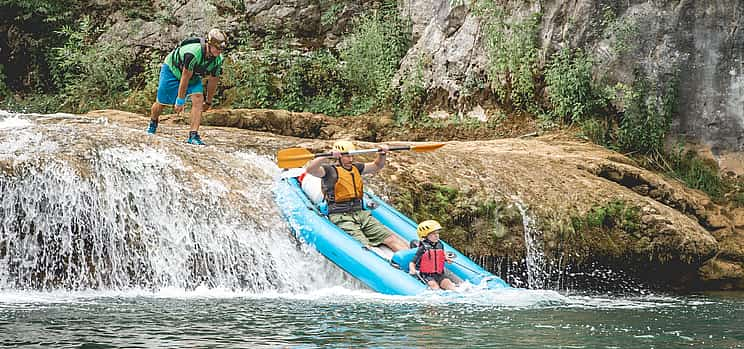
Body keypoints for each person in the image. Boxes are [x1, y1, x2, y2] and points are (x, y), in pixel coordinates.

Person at [305, 140, 409, 252]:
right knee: (365, 246)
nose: (350, 159)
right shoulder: (329, 171)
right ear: (339, 157)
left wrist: (382, 154)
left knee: (392, 239)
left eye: (351, 156)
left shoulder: (357, 168)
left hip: (361, 214)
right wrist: (326, 156)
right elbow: (310, 170)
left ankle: (412, 262)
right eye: (347, 156)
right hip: (341, 216)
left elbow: (377, 165)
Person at [146, 28, 227, 145]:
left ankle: (193, 135)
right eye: (218, 48)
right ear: (209, 44)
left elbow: (213, 81)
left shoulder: (218, 60)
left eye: (222, 49)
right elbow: (185, 77)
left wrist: (208, 102)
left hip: (193, 76)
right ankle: (153, 122)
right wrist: (180, 100)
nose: (220, 51)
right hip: (172, 71)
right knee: (161, 104)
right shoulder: (193, 53)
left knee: (199, 98)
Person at [409, 220, 456, 290]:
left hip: (440, 274)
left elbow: (441, 256)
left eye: (437, 233)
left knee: (451, 286)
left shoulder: (440, 245)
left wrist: (446, 259)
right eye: (433, 234)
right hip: (427, 275)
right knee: (435, 287)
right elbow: (412, 262)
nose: (437, 235)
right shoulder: (423, 248)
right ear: (425, 235)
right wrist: (412, 270)